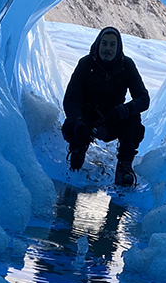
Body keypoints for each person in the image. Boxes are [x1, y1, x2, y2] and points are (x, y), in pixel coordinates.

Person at [61, 26, 149, 186]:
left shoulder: (127, 66)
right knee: (71, 123)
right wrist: (79, 123)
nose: (107, 49)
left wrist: (122, 111)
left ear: (118, 47)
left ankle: (124, 165)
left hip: (112, 119)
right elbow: (71, 98)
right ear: (98, 44)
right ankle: (78, 147)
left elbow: (143, 99)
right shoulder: (85, 64)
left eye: (112, 45)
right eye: (105, 44)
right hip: (87, 117)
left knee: (134, 118)